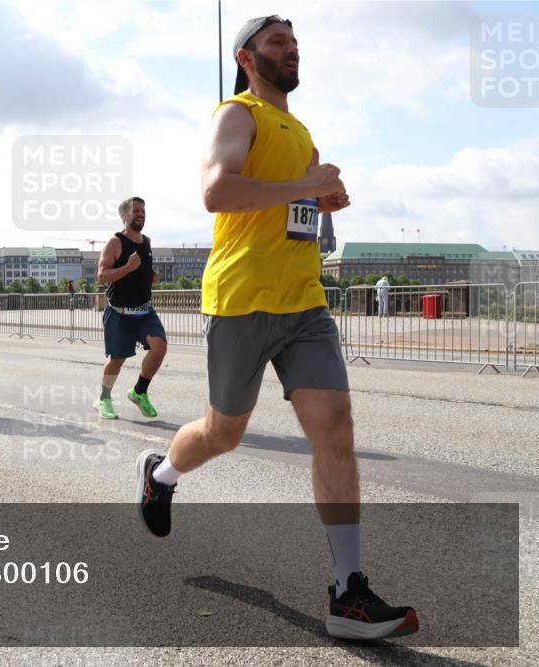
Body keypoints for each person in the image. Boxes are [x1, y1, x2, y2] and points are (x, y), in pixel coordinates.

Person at [135, 16, 417, 641]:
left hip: (304, 305)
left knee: (335, 431)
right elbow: (217, 191)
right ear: (247, 56)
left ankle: (348, 593)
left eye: (294, 41)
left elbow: (291, 207)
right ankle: (160, 475)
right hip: (240, 300)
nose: (291, 50)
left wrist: (320, 199)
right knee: (223, 433)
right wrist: (304, 185)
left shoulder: (303, 133)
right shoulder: (236, 115)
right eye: (277, 42)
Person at [92, 197, 167, 420]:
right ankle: (104, 399)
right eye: (136, 211)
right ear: (124, 216)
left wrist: (152, 275)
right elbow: (102, 275)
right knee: (117, 358)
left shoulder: (147, 241)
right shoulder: (115, 242)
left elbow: (143, 267)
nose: (141, 214)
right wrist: (127, 267)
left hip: (144, 311)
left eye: (143, 210)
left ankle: (139, 392)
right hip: (120, 312)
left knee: (160, 347)